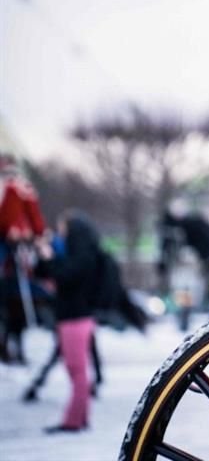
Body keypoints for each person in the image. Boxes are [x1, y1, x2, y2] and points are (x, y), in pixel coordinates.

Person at [33, 211, 101, 433]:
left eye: (63, 229)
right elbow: (45, 273)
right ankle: (80, 417)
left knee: (77, 370)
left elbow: (63, 277)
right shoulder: (81, 254)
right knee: (79, 370)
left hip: (75, 319)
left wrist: (48, 257)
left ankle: (73, 420)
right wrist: (46, 256)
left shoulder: (82, 258)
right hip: (77, 318)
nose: (60, 234)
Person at [0, 153, 46, 364]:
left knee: (18, 291)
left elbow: (33, 214)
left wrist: (34, 233)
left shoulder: (19, 186)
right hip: (8, 240)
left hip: (14, 244)